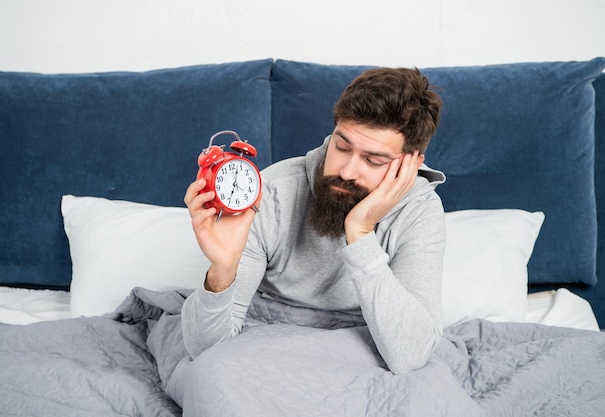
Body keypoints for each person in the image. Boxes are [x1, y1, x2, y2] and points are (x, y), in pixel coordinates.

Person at [182, 67, 445, 375]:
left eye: (373, 160)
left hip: (364, 347)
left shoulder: (420, 211)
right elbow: (205, 351)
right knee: (209, 376)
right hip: (266, 342)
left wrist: (359, 233)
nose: (346, 171)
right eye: (342, 146)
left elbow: (410, 355)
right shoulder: (274, 191)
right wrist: (222, 271)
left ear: (410, 165)